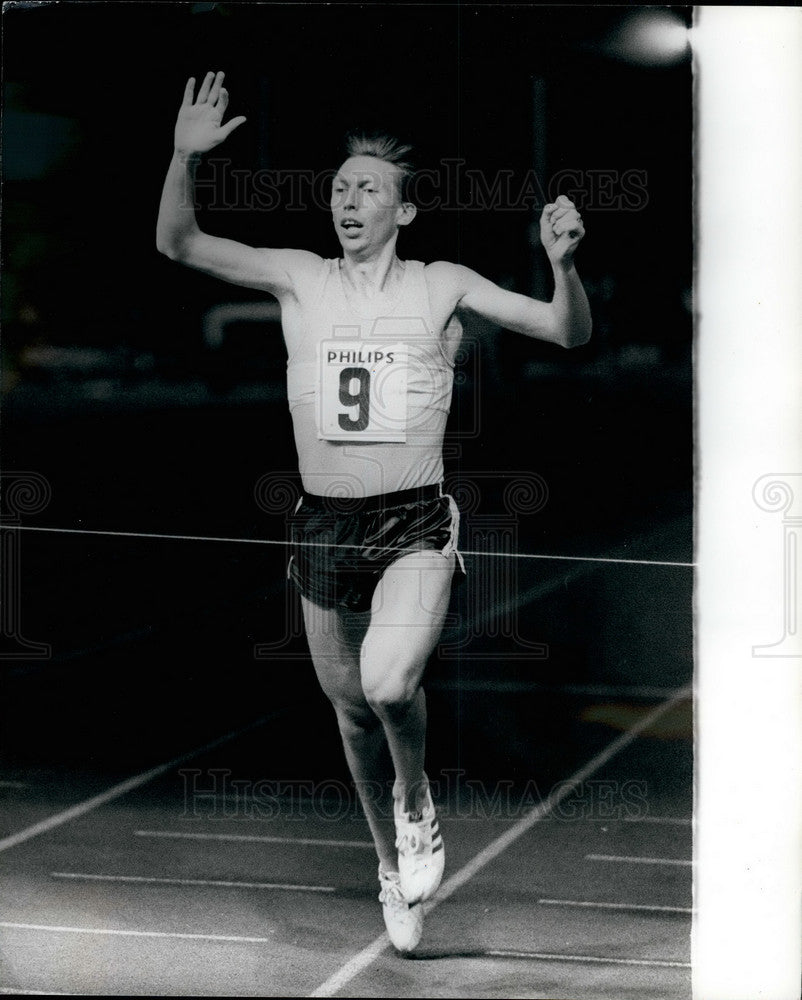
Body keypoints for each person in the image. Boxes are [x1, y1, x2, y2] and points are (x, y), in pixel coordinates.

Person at [156, 70, 591, 952]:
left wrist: (565, 267)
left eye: (367, 189)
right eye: (339, 187)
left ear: (406, 212)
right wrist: (181, 156)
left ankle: (417, 800)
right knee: (352, 710)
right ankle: (391, 864)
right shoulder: (298, 277)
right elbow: (179, 243)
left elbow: (565, 331)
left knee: (392, 685)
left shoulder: (441, 284)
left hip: (414, 523)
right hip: (322, 524)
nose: (347, 199)